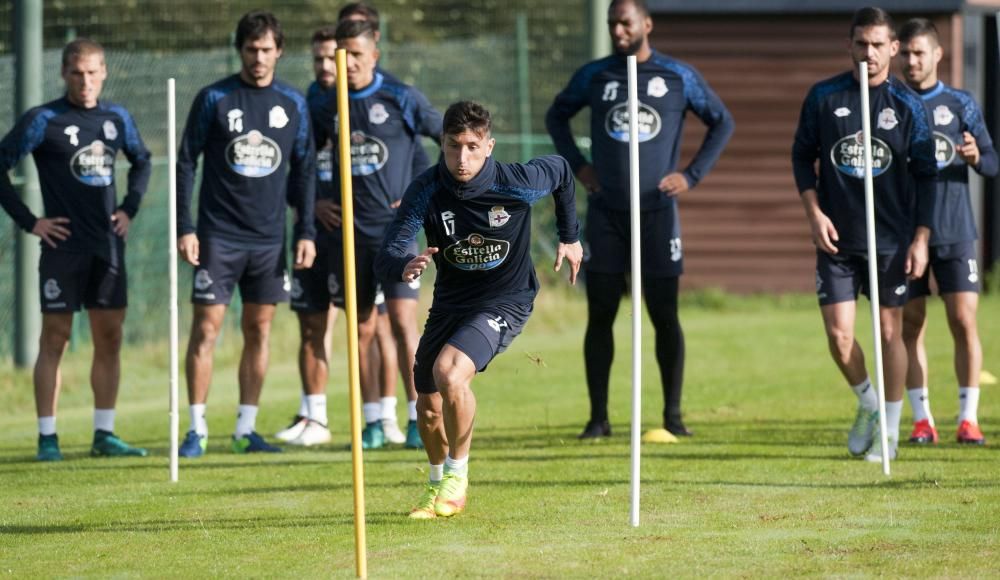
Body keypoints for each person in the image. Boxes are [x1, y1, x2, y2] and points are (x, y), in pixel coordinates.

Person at [375, 100, 583, 518]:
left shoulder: (517, 182)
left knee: (450, 372)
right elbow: (391, 248)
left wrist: (570, 235)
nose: (462, 157)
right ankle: (436, 489)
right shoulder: (427, 189)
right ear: (443, 144)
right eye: (454, 146)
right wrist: (404, 264)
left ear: (488, 146)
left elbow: (561, 169)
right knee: (427, 405)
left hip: (506, 299)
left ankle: (458, 477)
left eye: (472, 147)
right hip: (451, 302)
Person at [545, 0, 733, 440]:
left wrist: (691, 175)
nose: (617, 30)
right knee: (601, 315)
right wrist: (579, 165)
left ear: (646, 24)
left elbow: (721, 121)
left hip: (658, 216)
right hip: (607, 216)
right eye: (612, 23)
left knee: (664, 315)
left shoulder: (677, 76)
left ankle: (672, 416)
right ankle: (598, 419)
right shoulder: (596, 75)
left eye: (625, 22)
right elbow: (557, 114)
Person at [792, 7, 937, 462]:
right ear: (849, 45)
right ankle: (871, 406)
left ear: (893, 48)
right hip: (836, 240)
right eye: (861, 44)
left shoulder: (908, 106)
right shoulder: (824, 97)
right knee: (839, 337)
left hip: (892, 241)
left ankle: (889, 434)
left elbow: (929, 176)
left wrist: (921, 239)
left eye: (878, 45)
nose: (869, 53)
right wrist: (814, 214)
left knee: (891, 332)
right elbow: (802, 158)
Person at [0, 38, 151, 461]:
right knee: (56, 338)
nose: (85, 81)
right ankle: (48, 437)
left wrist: (130, 208)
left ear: (104, 72)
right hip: (62, 248)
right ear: (64, 74)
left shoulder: (116, 118)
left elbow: (142, 160)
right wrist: (31, 222)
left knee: (110, 337)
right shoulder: (42, 120)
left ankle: (105, 434)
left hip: (108, 248)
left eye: (92, 72)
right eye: (77, 73)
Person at [175, 11, 316, 457]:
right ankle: (196, 429)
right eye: (251, 49)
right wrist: (186, 227)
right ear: (240, 50)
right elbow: (185, 162)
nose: (258, 57)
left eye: (266, 49)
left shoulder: (293, 103)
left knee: (259, 329)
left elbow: (305, 170)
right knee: (208, 327)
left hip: (269, 240)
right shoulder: (214, 97)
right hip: (218, 236)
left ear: (279, 51)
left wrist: (306, 231)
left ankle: (245, 429)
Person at [313, 18, 442, 450]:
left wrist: (421, 199)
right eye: (342, 54)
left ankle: (415, 414)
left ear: (375, 55)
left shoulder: (401, 97)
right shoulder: (324, 104)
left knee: (406, 326)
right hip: (349, 237)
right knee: (362, 327)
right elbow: (303, 159)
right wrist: (315, 200)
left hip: (397, 234)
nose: (348, 63)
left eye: (357, 54)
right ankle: (371, 420)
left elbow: (446, 137)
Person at [897, 18, 997, 446]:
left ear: (939, 54)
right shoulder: (890, 102)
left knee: (962, 320)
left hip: (955, 228)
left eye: (920, 53)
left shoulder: (959, 103)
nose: (912, 61)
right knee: (911, 323)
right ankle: (922, 420)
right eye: (906, 53)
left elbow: (993, 162)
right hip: (902, 230)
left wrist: (976, 155)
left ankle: (968, 418)